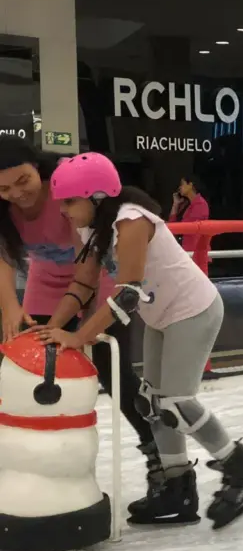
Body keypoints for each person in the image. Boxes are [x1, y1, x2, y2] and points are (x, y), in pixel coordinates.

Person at [37, 152, 243, 530]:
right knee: (150, 402)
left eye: (69, 202)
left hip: (193, 310)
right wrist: (54, 327)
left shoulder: (130, 221)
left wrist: (79, 336)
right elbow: (82, 284)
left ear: (96, 197)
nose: (63, 211)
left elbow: (127, 294)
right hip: (160, 315)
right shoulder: (96, 227)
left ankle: (242, 473)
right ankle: (176, 488)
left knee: (176, 404)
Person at [0, 136, 158, 472]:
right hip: (46, 282)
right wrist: (10, 307)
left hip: (95, 276)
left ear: (39, 169)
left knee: (110, 365)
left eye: (23, 180)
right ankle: (35, 457)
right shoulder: (5, 207)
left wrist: (77, 328)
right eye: (4, 189)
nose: (16, 194)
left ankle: (159, 456)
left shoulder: (66, 183)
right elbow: (3, 257)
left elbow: (87, 271)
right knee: (27, 359)